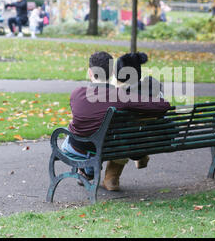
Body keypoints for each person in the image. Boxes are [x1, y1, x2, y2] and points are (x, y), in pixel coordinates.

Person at [62, 51, 170, 191]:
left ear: (90, 72)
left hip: (77, 149)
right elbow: (164, 105)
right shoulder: (121, 96)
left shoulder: (77, 93)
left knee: (72, 131)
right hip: (107, 148)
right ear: (112, 72)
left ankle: (87, 171)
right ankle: (91, 171)